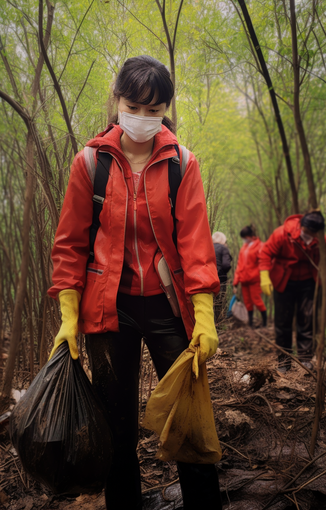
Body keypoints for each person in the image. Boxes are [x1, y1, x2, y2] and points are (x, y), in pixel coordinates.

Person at [48, 56, 222, 510]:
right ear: (117, 101)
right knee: (116, 424)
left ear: (166, 108)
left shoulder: (183, 163)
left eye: (155, 109)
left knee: (186, 418)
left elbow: (196, 245)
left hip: (168, 307)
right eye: (134, 106)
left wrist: (204, 318)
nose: (143, 118)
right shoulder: (90, 163)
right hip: (109, 310)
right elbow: (69, 246)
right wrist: (68, 317)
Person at [259, 211, 326, 373]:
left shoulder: (320, 240)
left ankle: (305, 360)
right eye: (308, 232)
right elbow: (265, 252)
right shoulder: (282, 233)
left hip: (308, 283)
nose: (310, 236)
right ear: (302, 227)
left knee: (307, 320)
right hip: (283, 282)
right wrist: (264, 275)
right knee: (283, 323)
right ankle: (284, 360)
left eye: (314, 234)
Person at [233, 226, 267, 327]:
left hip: (255, 279)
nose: (244, 240)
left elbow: (263, 262)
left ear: (250, 236)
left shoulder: (260, 246)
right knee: (247, 302)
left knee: (257, 300)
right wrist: (236, 282)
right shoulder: (243, 247)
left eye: (245, 237)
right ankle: (251, 323)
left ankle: (264, 323)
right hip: (244, 280)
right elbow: (239, 265)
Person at [212, 231, 232, 322]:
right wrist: (223, 273)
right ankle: (219, 321)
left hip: (208, 277)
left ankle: (211, 322)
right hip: (220, 277)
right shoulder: (224, 248)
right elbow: (226, 265)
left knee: (211, 300)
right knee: (219, 300)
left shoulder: (209, 247)